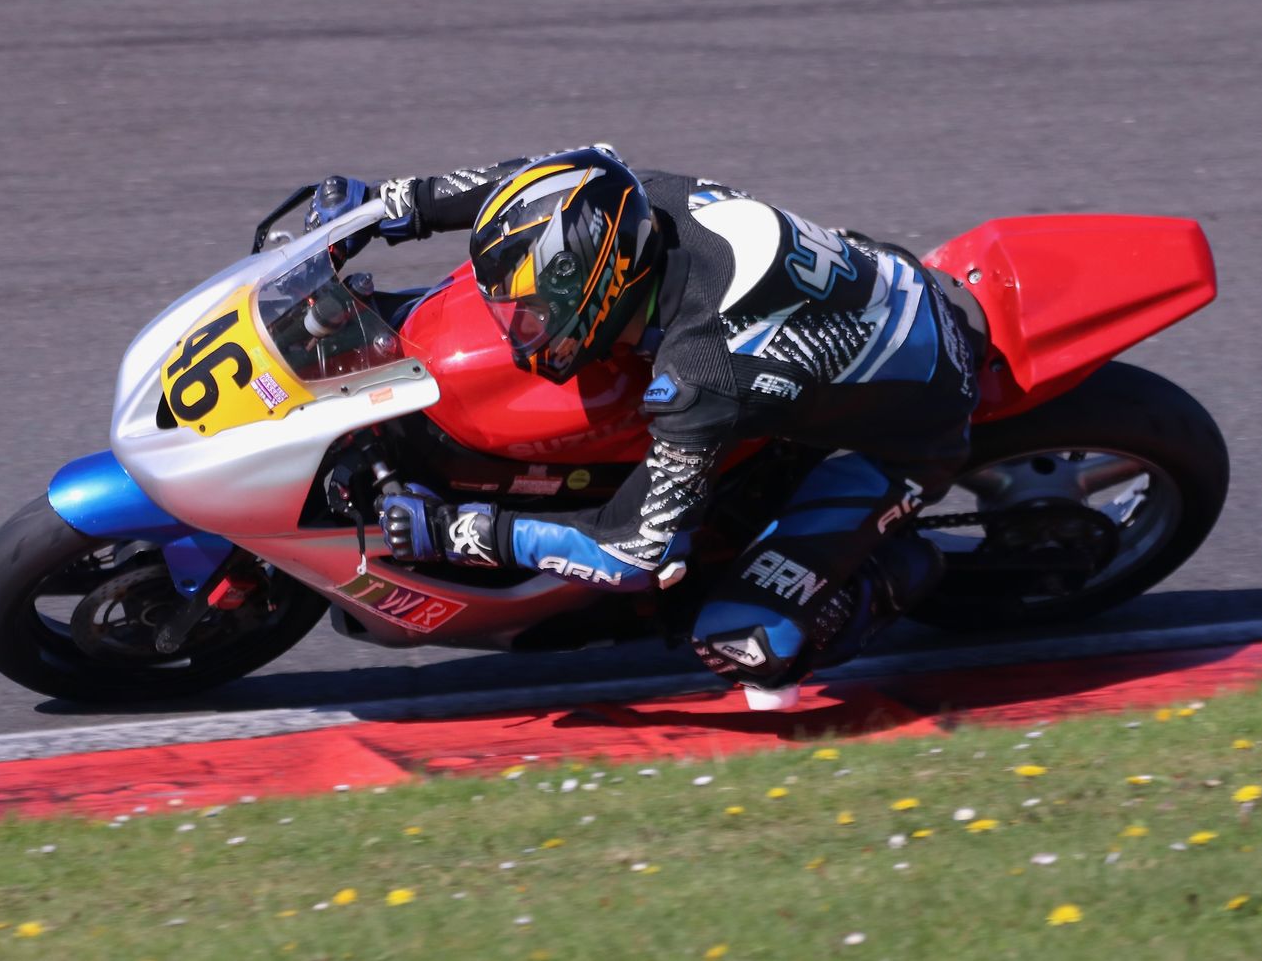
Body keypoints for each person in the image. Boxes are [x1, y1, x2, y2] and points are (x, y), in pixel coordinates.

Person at [315, 145, 983, 705]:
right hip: (873, 289)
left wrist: (460, 530)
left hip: (909, 430)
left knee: (739, 641)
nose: (520, 332)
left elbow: (633, 552)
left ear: (600, 285)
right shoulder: (631, 198)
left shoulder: (700, 371)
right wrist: (394, 205)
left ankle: (893, 571)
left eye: (533, 313)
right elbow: (539, 177)